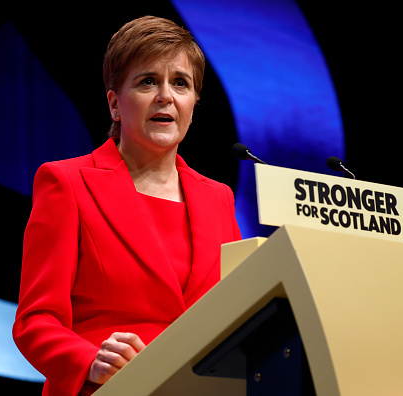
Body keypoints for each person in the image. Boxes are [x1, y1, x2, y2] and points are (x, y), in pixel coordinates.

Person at [13, 15, 242, 396]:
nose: (165, 96)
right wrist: (88, 361)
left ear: (192, 104)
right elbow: (36, 320)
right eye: (147, 81)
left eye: (180, 83)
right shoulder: (67, 183)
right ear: (115, 104)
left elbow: (239, 310)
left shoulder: (218, 198)